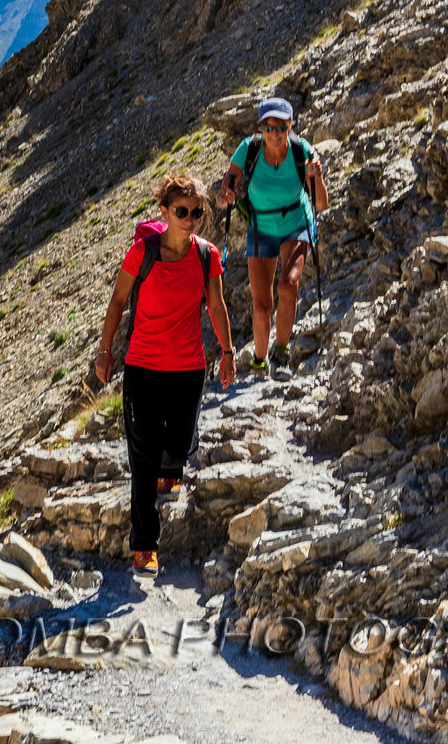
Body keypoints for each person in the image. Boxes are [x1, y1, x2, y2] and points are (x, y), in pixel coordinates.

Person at [91, 170, 236, 576]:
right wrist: (105, 352)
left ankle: (172, 469)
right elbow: (118, 301)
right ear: (165, 211)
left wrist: (227, 351)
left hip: (189, 367)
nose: (190, 218)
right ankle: (144, 547)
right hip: (142, 367)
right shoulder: (143, 253)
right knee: (143, 457)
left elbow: (217, 306)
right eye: (182, 211)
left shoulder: (207, 255)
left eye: (196, 211)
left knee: (179, 443)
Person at [218, 96, 328, 380]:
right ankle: (259, 359)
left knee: (288, 284)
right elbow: (227, 186)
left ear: (290, 125)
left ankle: (281, 353)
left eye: (280, 127)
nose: (274, 133)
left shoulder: (301, 150)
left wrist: (317, 177)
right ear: (260, 129)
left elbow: (322, 204)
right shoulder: (249, 148)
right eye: (268, 127)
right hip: (260, 226)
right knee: (262, 304)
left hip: (295, 223)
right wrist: (225, 195)